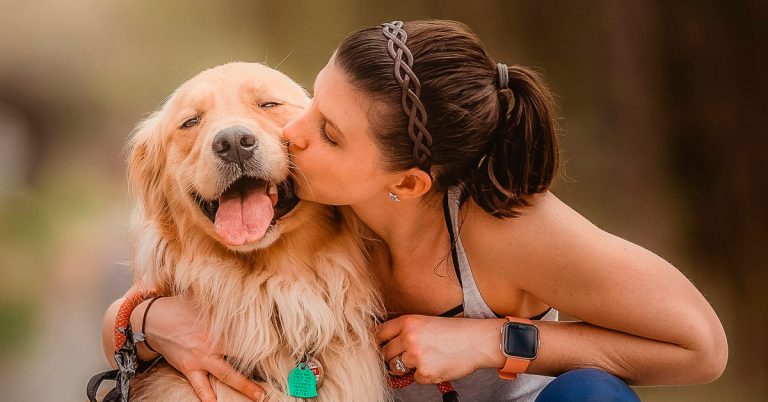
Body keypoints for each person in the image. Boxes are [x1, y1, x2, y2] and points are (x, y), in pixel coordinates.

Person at [101, 20, 727, 401]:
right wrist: (147, 321)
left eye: (327, 132)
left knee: (593, 395)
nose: (289, 136)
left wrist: (489, 340)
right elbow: (136, 313)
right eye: (311, 106)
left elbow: (699, 348)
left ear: (407, 181)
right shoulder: (314, 217)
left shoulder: (501, 225)